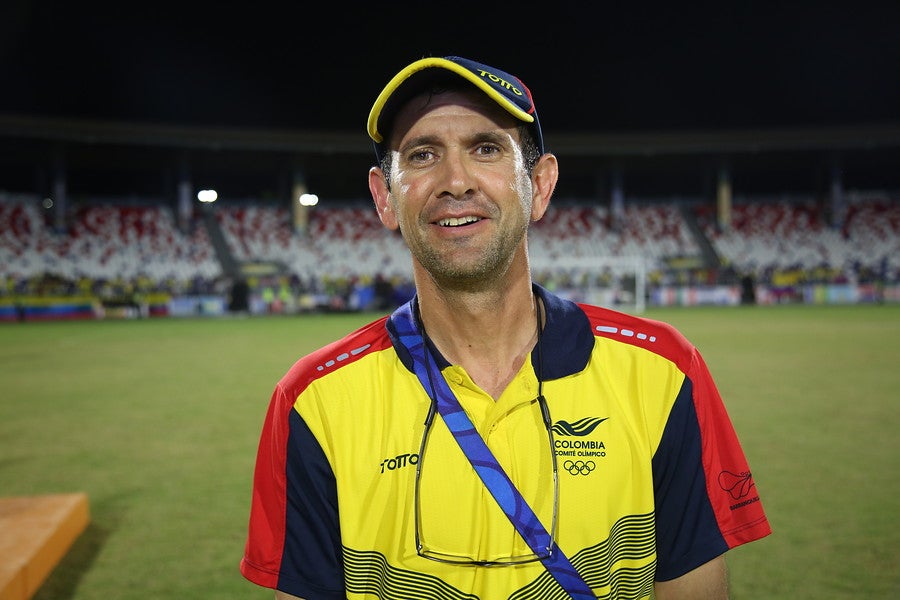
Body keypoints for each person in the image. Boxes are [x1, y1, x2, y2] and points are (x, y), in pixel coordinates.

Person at [240, 55, 771, 600]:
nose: (455, 181)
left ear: (539, 185)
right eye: (422, 155)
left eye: (487, 148)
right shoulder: (313, 400)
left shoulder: (662, 370)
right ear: (385, 198)